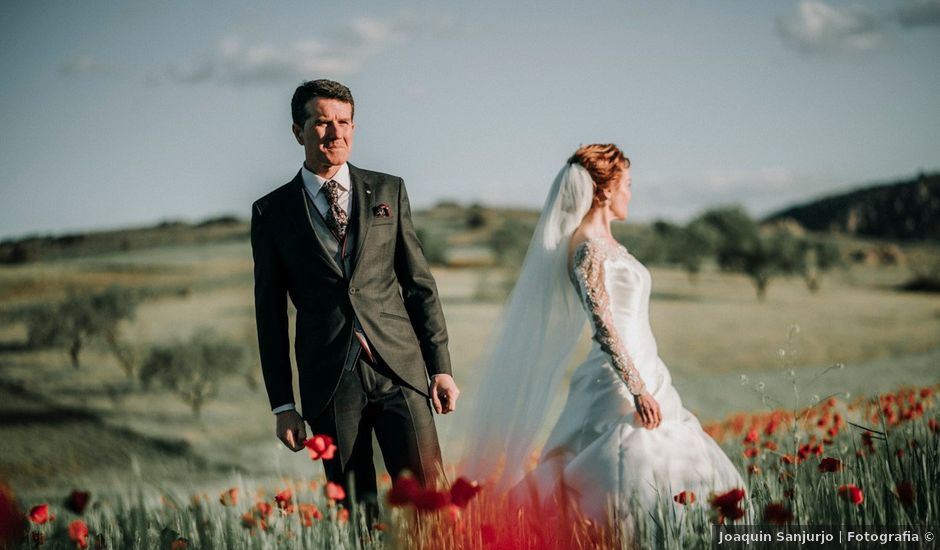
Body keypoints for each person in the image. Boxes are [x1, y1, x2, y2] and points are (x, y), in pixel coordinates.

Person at [458, 144, 743, 525]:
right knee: (623, 468)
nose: (630, 192)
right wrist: (638, 387)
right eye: (627, 183)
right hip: (620, 379)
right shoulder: (588, 248)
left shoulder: (609, 245)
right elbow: (604, 325)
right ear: (605, 190)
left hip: (647, 368)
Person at [250, 79, 460, 520]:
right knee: (358, 513)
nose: (335, 133)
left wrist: (440, 367)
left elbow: (419, 284)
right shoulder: (271, 212)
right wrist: (283, 405)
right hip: (329, 380)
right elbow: (269, 315)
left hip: (400, 369)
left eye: (344, 122)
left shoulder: (389, 190)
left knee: (430, 503)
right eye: (322, 123)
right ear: (297, 130)